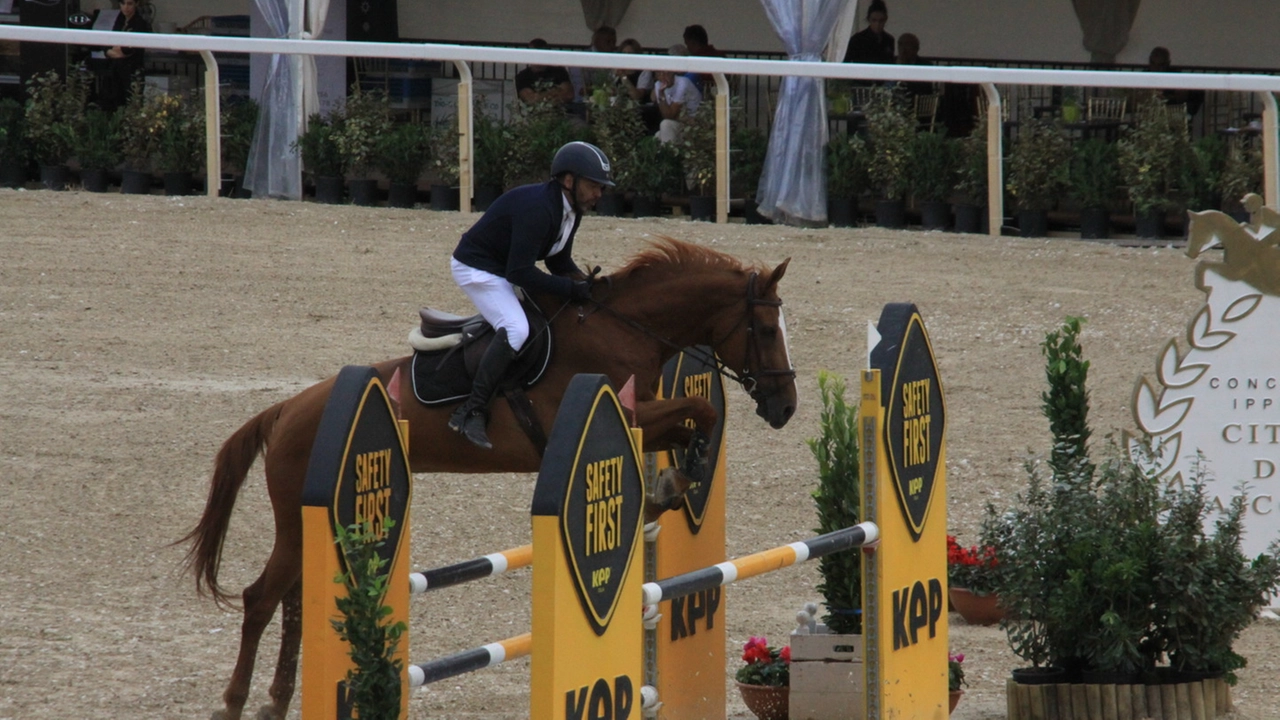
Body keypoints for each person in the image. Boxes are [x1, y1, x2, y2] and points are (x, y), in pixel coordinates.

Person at [447, 141, 613, 449]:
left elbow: (557, 260)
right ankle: (471, 410)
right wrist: (568, 288)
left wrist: (587, 286)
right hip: (478, 268)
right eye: (593, 186)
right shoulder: (539, 208)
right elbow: (519, 273)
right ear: (568, 180)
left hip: (503, 267)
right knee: (516, 328)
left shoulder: (571, 211)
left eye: (601, 188)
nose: (598, 195)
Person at [99, 0, 151, 111]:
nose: (126, 7)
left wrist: (118, 49)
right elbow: (108, 44)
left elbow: (128, 50)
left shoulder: (140, 23)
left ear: (136, 4)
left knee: (130, 106)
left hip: (131, 72)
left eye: (130, 4)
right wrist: (112, 51)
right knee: (111, 107)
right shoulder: (119, 20)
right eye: (123, 4)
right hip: (114, 71)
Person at [652, 45, 702, 144]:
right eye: (659, 73)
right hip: (679, 123)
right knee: (657, 136)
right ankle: (667, 157)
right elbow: (666, 114)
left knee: (665, 125)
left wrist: (661, 94)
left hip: (694, 126)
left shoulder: (683, 83)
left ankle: (668, 158)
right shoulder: (658, 85)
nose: (662, 76)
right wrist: (661, 94)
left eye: (665, 71)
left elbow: (670, 115)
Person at [1146, 46, 1204, 119]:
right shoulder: (1143, 76)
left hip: (1172, 112)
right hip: (1149, 112)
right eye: (1153, 64)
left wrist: (1166, 98)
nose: (1156, 68)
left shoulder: (1175, 76)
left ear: (1167, 64)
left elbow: (1182, 97)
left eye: (1161, 65)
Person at [515, 38, 574, 107]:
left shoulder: (559, 71)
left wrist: (540, 96)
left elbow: (569, 95)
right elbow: (531, 99)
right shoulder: (523, 76)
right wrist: (555, 91)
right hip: (534, 115)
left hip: (562, 113)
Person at [843, 0, 894, 65]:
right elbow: (846, 62)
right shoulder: (858, 40)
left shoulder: (889, 40)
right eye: (874, 20)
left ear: (885, 20)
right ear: (869, 19)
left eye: (881, 21)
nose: (877, 24)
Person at [894, 32, 934, 99]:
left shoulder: (925, 66)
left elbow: (925, 90)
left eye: (907, 45)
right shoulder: (891, 64)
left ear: (916, 48)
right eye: (900, 44)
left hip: (916, 102)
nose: (903, 49)